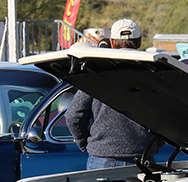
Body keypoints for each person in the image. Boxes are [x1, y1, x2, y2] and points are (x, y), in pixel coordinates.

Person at [66, 18, 156, 170]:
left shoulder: (97, 74)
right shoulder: (154, 75)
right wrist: (153, 143)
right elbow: (167, 116)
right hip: (144, 159)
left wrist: (86, 143)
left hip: (103, 160)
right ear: (139, 41)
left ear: (112, 43)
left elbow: (74, 115)